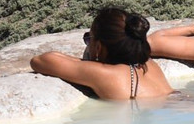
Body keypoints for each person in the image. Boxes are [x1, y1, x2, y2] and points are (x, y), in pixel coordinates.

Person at [29, 7, 176, 100]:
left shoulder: (103, 73)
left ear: (99, 46)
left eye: (89, 39)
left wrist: (88, 62)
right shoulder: (148, 64)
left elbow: (40, 61)